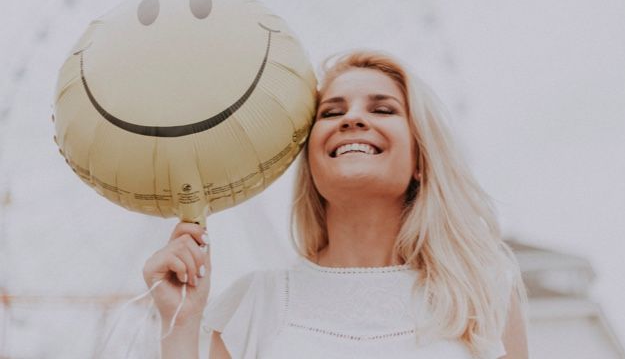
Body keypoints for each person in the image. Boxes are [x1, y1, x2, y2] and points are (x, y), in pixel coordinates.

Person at [143, 50, 529, 358]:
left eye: (382, 109)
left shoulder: (481, 294)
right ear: (310, 162)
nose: (353, 118)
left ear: (421, 162)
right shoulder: (256, 305)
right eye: (332, 112)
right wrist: (180, 324)